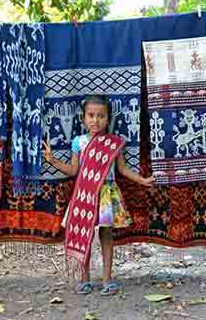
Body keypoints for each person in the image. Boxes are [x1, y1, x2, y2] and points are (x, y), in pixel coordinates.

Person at [43, 94, 154, 296]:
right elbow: (73, 171)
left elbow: (123, 170)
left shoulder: (114, 143)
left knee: (105, 236)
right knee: (83, 234)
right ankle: (84, 280)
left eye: (101, 116)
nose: (96, 120)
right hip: (84, 194)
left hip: (106, 195)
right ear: (83, 118)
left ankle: (107, 279)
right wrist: (52, 161)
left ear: (107, 118)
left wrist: (142, 180)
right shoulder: (78, 142)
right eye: (91, 115)